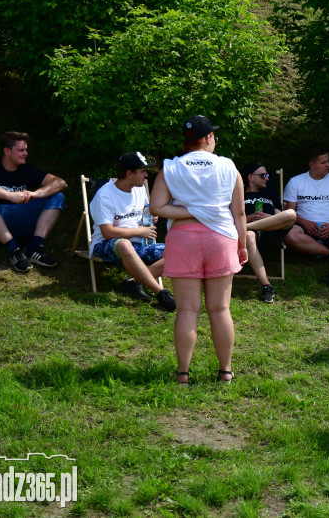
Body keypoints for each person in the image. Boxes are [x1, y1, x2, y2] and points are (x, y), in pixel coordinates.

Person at [150, 116, 247, 385]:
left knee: (187, 310)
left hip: (184, 240)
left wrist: (191, 213)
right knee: (220, 309)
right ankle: (225, 371)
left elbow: (157, 207)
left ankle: (183, 374)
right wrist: (242, 244)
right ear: (207, 139)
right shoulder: (228, 166)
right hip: (222, 238)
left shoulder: (170, 168)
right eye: (214, 136)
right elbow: (238, 212)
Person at [0, 131, 67, 272]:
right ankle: (15, 251)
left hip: (17, 220)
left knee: (58, 196)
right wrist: (9, 195)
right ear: (7, 151)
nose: (25, 153)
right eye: (21, 150)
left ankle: (34, 248)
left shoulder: (26, 169)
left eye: (26, 150)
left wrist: (35, 194)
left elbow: (60, 182)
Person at [89, 151, 175, 311]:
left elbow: (143, 210)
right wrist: (139, 231)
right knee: (125, 245)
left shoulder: (139, 189)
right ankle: (160, 292)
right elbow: (107, 232)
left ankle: (133, 282)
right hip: (107, 245)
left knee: (179, 250)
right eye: (142, 171)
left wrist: (149, 216)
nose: (146, 175)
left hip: (140, 244)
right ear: (129, 174)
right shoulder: (105, 195)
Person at [283, 146, 329, 287]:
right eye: (323, 163)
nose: (328, 165)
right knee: (290, 236)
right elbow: (289, 212)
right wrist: (306, 223)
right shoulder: (296, 182)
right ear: (312, 165)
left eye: (328, 161)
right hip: (304, 227)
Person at [241, 162, 296, 303]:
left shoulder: (271, 195)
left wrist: (269, 218)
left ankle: (247, 226)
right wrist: (249, 218)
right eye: (263, 175)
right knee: (248, 235)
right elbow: (232, 218)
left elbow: (280, 216)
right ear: (250, 177)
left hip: (272, 231)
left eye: (267, 175)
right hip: (252, 233)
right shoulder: (239, 196)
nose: (267, 178)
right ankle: (267, 286)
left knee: (290, 214)